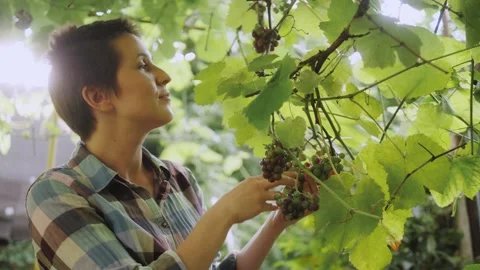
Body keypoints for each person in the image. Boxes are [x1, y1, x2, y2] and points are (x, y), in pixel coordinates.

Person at [25, 18, 318, 270]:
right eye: (143, 65)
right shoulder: (57, 193)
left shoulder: (180, 180)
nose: (164, 76)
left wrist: (278, 221)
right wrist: (224, 212)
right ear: (98, 97)